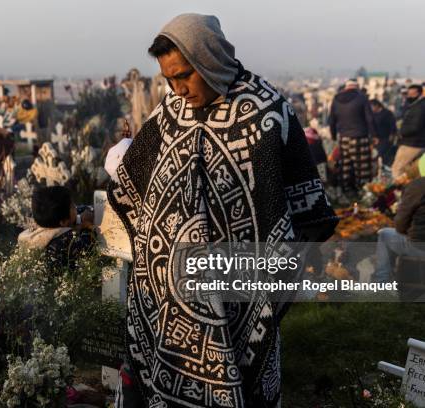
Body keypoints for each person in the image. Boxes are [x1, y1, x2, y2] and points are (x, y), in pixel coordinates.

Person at [105, 13, 337, 408]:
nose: (178, 89)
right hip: (170, 300)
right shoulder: (170, 113)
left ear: (209, 59)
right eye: (168, 79)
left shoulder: (267, 114)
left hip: (240, 294)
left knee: (245, 386)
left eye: (184, 76)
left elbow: (306, 208)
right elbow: (130, 182)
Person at [17, 186, 94, 272]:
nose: (75, 207)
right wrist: (87, 226)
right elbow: (90, 245)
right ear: (63, 222)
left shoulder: (48, 221)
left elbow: (80, 211)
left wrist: (80, 221)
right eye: (72, 206)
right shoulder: (63, 243)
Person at [373, 158, 425, 282]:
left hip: (420, 247)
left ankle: (382, 284)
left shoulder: (418, 186)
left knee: (384, 234)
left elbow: (400, 225)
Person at [328, 79, 377, 194]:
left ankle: (345, 191)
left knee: (345, 165)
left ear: (346, 87)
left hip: (343, 138)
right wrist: (374, 135)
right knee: (362, 167)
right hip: (360, 137)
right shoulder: (362, 97)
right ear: (357, 87)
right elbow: (369, 118)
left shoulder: (336, 99)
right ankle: (363, 191)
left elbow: (331, 120)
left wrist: (334, 136)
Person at [392, 84, 425, 179]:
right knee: (412, 171)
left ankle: (398, 191)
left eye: (412, 94)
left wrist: (401, 132)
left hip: (411, 143)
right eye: (408, 94)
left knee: (397, 169)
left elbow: (415, 126)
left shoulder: (420, 107)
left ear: (419, 94)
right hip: (417, 143)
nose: (409, 97)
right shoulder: (416, 106)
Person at [370, 99, 398, 166]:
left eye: (371, 107)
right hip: (376, 138)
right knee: (375, 154)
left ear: (377, 105)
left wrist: (392, 135)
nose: (370, 109)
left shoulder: (387, 113)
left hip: (385, 138)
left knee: (382, 155)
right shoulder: (372, 114)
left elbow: (392, 125)